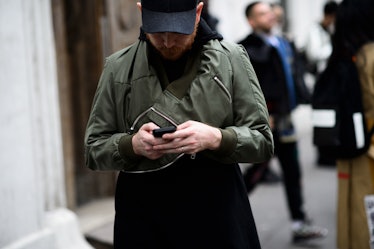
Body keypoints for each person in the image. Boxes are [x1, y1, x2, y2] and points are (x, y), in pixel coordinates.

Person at [84, 0, 274, 248]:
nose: (166, 42)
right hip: (143, 212)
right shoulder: (118, 67)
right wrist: (132, 145)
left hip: (216, 206)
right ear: (142, 11)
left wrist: (216, 138)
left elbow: (262, 140)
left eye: (176, 32)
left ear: (197, 13)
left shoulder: (231, 58)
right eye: (157, 31)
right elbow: (93, 149)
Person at [238, 1, 327, 244]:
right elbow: (245, 87)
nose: (269, 16)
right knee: (256, 172)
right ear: (251, 21)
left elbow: (296, 72)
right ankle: (224, 219)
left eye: (270, 12)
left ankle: (299, 223)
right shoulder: (246, 48)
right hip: (264, 121)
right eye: (262, 14)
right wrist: (259, 115)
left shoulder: (283, 42)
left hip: (285, 120)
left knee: (292, 171)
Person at [330, 0, 374, 248]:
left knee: (354, 209)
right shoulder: (371, 55)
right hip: (370, 148)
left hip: (350, 144)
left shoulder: (344, 54)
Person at [304, 1, 338, 166]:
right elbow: (314, 54)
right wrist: (334, 49)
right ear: (328, 16)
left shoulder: (331, 30)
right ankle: (323, 154)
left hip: (331, 81)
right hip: (320, 81)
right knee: (321, 117)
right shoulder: (315, 30)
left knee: (331, 116)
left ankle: (329, 151)